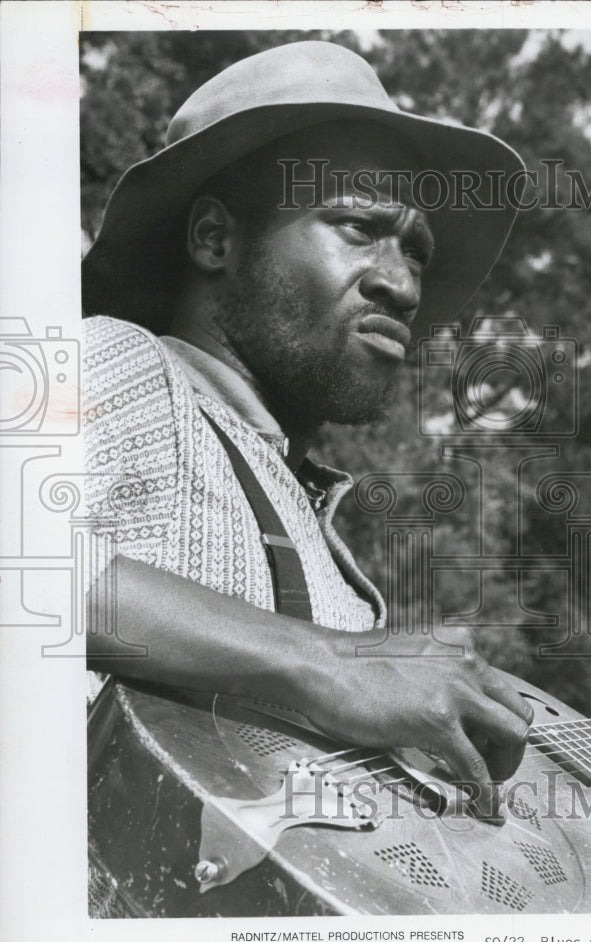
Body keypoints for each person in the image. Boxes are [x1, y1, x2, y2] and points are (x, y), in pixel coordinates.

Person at [82, 40, 533, 822]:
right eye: (359, 226)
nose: (402, 282)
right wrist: (330, 662)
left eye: (417, 253)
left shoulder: (311, 525)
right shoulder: (118, 360)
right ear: (215, 240)